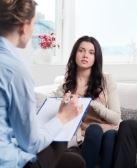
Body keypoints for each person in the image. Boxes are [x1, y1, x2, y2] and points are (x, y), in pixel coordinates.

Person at [0, 0, 86, 167]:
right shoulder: (15, 69)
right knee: (64, 150)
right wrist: (63, 117)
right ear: (24, 26)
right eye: (34, 24)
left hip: (11, 144)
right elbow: (31, 144)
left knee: (74, 160)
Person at [53, 35, 121, 168]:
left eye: (91, 52)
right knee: (94, 130)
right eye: (81, 50)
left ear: (96, 58)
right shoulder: (64, 88)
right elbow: (61, 120)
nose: (85, 55)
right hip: (85, 137)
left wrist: (90, 103)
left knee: (110, 136)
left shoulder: (107, 81)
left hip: (109, 132)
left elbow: (116, 118)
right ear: (75, 54)